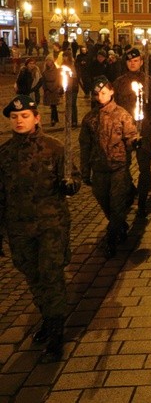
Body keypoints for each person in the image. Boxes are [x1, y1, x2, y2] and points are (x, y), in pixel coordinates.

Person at [0, 95, 81, 363]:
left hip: (51, 226)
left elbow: (73, 177)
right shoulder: (5, 154)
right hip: (19, 229)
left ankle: (57, 333)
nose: (19, 121)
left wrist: (70, 185)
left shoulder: (54, 148)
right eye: (14, 117)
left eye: (24, 116)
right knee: (33, 277)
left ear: (37, 118)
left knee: (51, 276)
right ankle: (47, 317)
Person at [79, 76, 140, 257]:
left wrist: (135, 142)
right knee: (105, 203)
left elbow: (130, 137)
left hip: (118, 167)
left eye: (103, 93)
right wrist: (85, 171)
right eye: (97, 94)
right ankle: (119, 225)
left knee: (117, 204)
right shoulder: (90, 119)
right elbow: (85, 146)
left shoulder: (122, 114)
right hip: (99, 169)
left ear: (111, 91)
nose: (100, 97)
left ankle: (111, 239)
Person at [112, 48, 151, 219]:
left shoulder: (149, 82)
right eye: (129, 61)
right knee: (122, 167)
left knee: (145, 167)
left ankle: (142, 200)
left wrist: (149, 106)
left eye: (135, 60)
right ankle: (130, 192)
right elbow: (113, 105)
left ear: (141, 62)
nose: (132, 63)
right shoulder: (119, 83)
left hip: (144, 131)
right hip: (124, 132)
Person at [41, 56, 63, 127]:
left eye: (49, 61)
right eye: (47, 61)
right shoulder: (44, 72)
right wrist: (46, 89)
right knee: (52, 105)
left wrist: (54, 88)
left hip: (54, 89)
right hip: (48, 89)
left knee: (53, 105)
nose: (48, 63)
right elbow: (43, 81)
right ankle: (55, 118)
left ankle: (53, 119)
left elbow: (58, 80)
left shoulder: (56, 71)